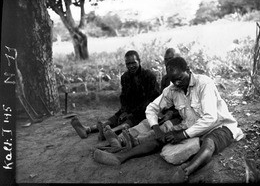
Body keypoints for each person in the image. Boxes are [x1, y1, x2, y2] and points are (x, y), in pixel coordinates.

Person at [93, 56, 244, 182]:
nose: (177, 83)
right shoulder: (173, 89)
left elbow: (210, 117)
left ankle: (186, 171)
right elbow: (151, 108)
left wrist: (183, 134)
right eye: (173, 80)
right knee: (161, 139)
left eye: (179, 78)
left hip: (220, 126)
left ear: (188, 70)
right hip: (191, 126)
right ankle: (120, 157)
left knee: (209, 143)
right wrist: (156, 129)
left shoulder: (204, 84)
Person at [71, 50, 160, 141]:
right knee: (117, 117)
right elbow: (124, 97)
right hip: (130, 108)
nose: (131, 66)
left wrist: (132, 113)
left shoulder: (149, 76)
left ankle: (109, 133)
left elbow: (152, 99)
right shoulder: (125, 77)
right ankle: (89, 129)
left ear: (139, 61)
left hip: (145, 109)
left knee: (132, 119)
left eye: (133, 63)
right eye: (128, 64)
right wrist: (125, 110)